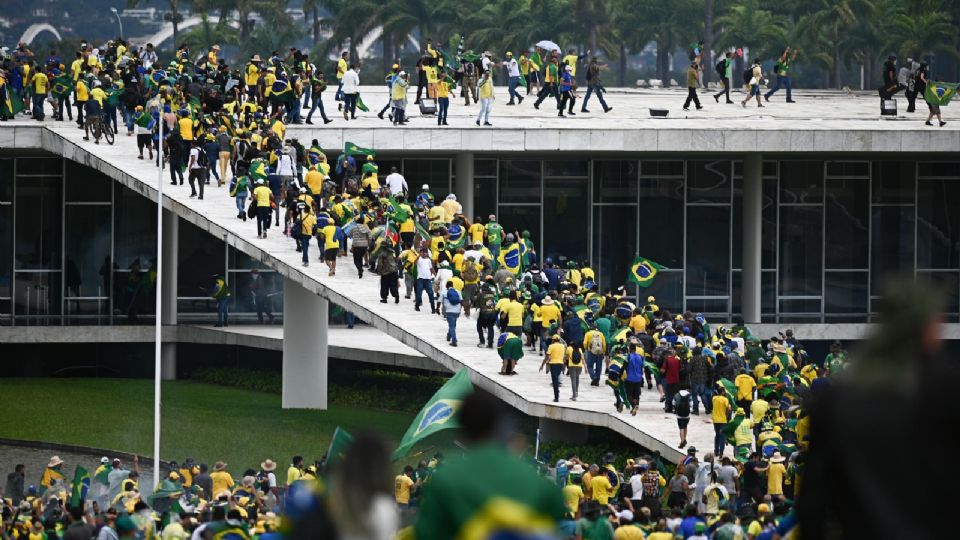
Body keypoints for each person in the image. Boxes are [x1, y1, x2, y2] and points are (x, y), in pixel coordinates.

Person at [540, 335, 566, 402]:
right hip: (560, 365)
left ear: (553, 340)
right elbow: (564, 357)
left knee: (555, 381)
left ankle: (556, 397)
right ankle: (557, 391)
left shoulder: (551, 346)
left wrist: (542, 365)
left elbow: (547, 357)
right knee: (556, 379)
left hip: (553, 365)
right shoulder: (562, 346)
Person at [712, 384, 732, 457]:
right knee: (722, 436)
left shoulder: (714, 398)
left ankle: (716, 451)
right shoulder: (725, 399)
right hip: (723, 420)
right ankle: (721, 452)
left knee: (717, 435)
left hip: (715, 420)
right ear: (723, 392)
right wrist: (726, 415)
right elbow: (729, 409)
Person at [414, 249, 436, 313]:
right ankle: (417, 306)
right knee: (419, 293)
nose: (424, 254)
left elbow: (431, 268)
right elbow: (414, 263)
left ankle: (433, 308)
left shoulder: (428, 260)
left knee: (430, 293)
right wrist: (418, 256)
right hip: (420, 278)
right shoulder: (419, 259)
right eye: (423, 252)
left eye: (425, 253)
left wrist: (436, 275)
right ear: (420, 253)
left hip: (428, 279)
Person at [442, 280, 461, 346]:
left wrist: (443, 312)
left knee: (451, 326)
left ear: (446, 285)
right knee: (453, 325)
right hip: (457, 311)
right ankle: (449, 335)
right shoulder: (458, 292)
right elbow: (461, 300)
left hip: (449, 311)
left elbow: (442, 303)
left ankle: (454, 340)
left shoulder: (444, 292)